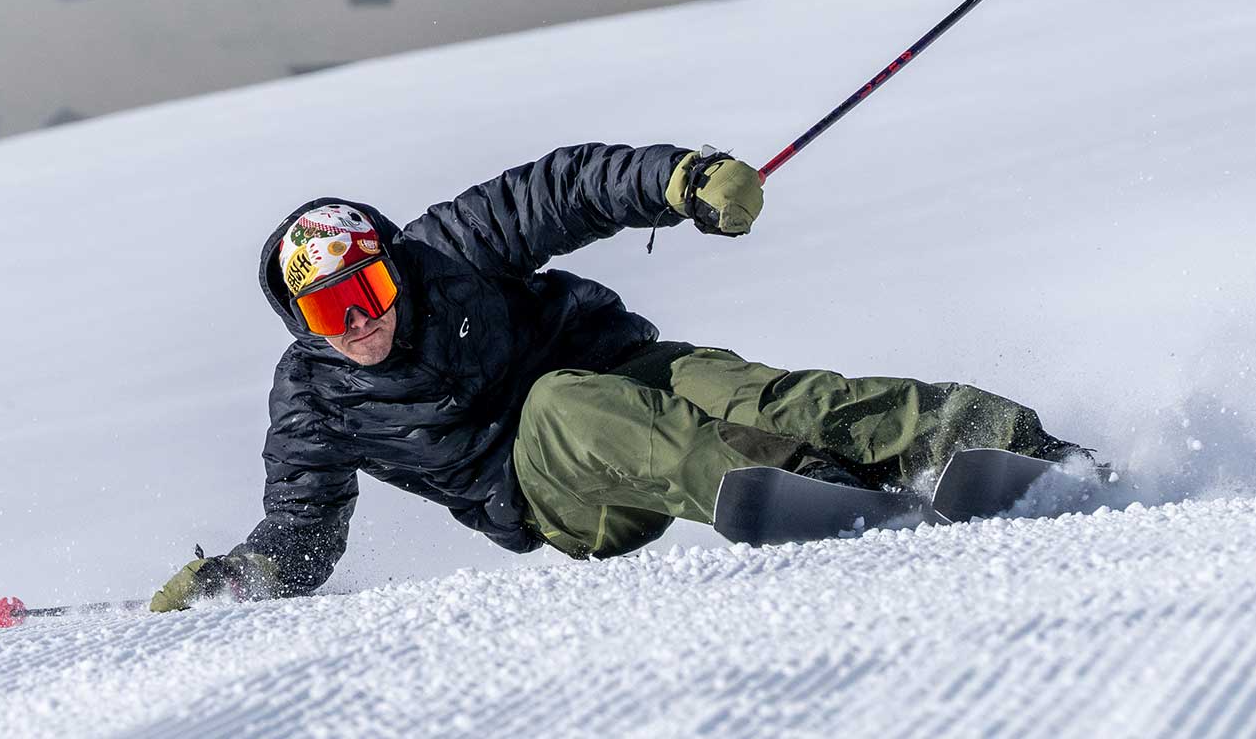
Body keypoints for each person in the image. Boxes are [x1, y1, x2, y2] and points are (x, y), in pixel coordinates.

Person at [149, 144, 1090, 611]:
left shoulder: (451, 249)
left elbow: (566, 188)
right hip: (551, 492)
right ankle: (816, 496)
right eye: (329, 313)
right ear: (301, 324)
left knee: (763, 396)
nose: (363, 321)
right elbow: (302, 527)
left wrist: (685, 180)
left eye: (373, 287)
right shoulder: (313, 397)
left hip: (619, 364)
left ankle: (1023, 450)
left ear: (395, 261)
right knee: (565, 406)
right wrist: (245, 576)